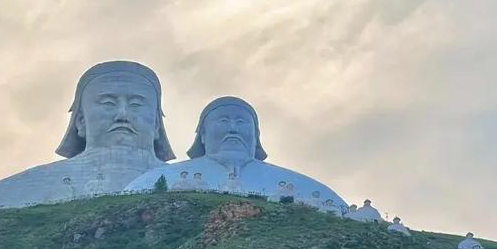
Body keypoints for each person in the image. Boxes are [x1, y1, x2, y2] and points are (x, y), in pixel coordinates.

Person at [0, 61, 174, 214]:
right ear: (80, 121)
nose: (122, 115)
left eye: (136, 104)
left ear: (156, 124)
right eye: (108, 103)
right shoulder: (5, 195)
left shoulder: (191, 179)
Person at [125, 96, 346, 211]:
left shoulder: (310, 188)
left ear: (256, 135)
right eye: (223, 121)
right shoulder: (152, 181)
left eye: (241, 122)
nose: (233, 128)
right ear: (202, 134)